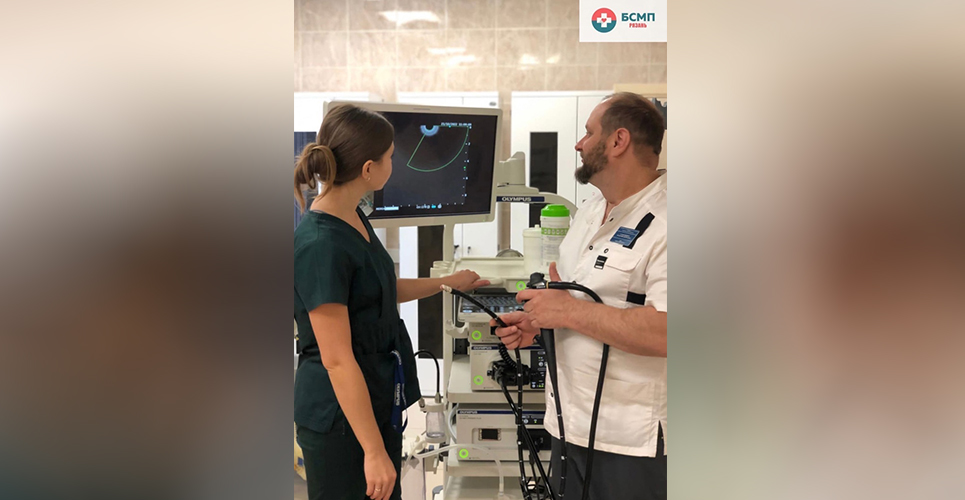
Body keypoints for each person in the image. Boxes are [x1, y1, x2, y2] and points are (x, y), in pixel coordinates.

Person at [294, 104, 488, 500]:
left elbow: (379, 287)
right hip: (340, 420)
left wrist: (447, 283)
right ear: (368, 169)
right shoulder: (320, 245)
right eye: (390, 157)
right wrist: (372, 451)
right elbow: (336, 359)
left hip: (372, 399)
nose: (393, 165)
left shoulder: (353, 218)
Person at [492, 92, 668, 500]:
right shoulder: (590, 211)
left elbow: (668, 332)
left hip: (631, 440)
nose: (579, 144)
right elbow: (580, 301)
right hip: (568, 425)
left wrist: (568, 313)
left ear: (618, 141)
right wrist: (537, 323)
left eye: (589, 133)